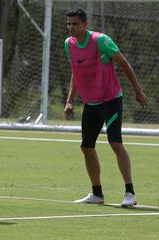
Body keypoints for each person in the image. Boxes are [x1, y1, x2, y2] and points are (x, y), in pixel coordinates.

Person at [63, 8, 148, 207]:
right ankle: (97, 194)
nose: (71, 27)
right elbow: (75, 72)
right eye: (68, 24)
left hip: (111, 100)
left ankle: (130, 193)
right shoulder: (69, 44)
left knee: (115, 143)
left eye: (75, 24)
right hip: (91, 103)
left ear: (84, 24)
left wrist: (138, 91)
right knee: (86, 147)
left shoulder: (101, 41)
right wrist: (70, 100)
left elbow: (124, 63)